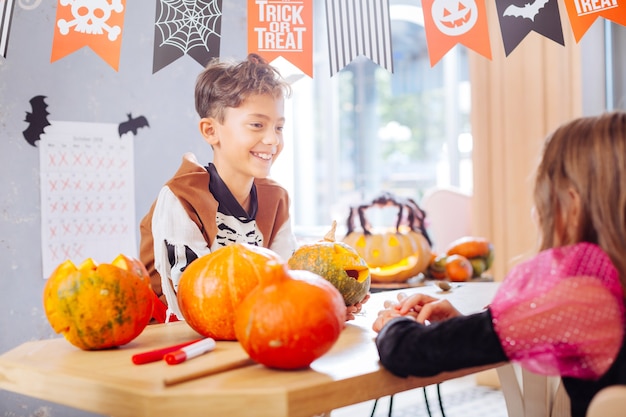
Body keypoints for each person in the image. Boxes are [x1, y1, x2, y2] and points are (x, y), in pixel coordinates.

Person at [372, 111, 626, 417]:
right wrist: (466, 325)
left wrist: (394, 325)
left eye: (543, 201)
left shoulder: (583, 297)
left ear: (571, 205)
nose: (537, 214)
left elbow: (407, 352)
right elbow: (494, 336)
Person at [140, 54, 367, 322]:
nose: (272, 139)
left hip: (254, 332)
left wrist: (326, 302)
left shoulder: (276, 198)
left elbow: (285, 282)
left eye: (279, 127)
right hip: (179, 341)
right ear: (210, 131)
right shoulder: (181, 198)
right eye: (257, 125)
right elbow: (191, 300)